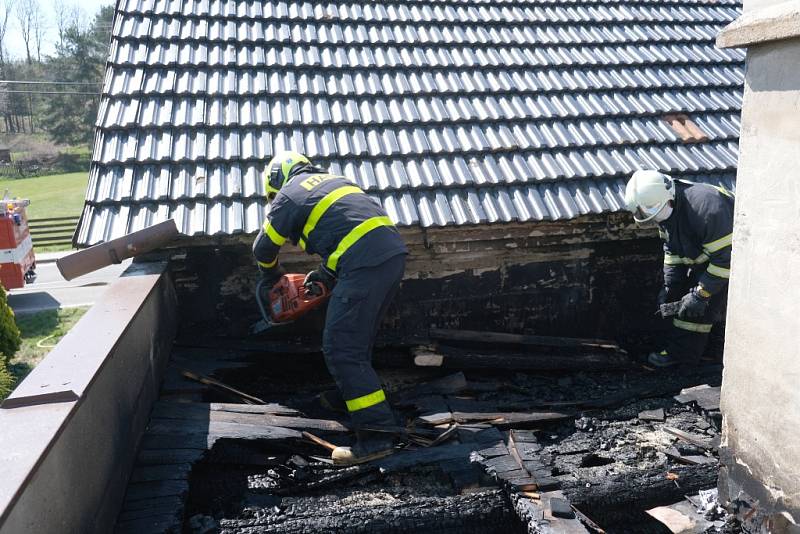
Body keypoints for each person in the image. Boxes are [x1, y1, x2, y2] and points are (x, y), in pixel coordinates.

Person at [253, 151, 408, 464]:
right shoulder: (333, 181)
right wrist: (324, 274)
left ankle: (378, 435)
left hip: (364, 264)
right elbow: (353, 235)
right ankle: (352, 398)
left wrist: (272, 276)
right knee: (356, 344)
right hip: (390, 257)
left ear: (276, 181)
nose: (274, 200)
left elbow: (263, 248)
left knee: (341, 348)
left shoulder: (289, 193)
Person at [624, 170, 734, 367]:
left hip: (740, 261)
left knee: (698, 307)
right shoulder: (666, 213)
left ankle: (683, 358)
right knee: (686, 301)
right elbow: (672, 251)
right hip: (714, 260)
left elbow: (727, 259)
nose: (656, 221)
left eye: (656, 216)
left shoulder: (706, 207)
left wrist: (701, 293)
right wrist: (670, 286)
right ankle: (698, 348)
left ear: (669, 199)